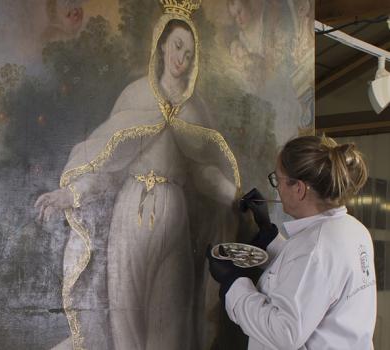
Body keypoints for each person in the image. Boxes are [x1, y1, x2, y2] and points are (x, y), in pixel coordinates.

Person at [36, 4, 241, 349]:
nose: (182, 58)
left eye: (189, 53)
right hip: (129, 211)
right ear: (162, 45)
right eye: (177, 46)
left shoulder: (195, 109)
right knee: (125, 313)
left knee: (171, 316)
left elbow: (202, 172)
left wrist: (233, 195)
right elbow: (108, 168)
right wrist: (69, 195)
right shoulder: (135, 95)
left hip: (173, 215)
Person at [208, 135, 376, 349]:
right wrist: (268, 235)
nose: (276, 188)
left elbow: (284, 334)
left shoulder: (315, 247)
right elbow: (310, 279)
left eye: (277, 179)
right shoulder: (354, 230)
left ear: (299, 188)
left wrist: (233, 283)